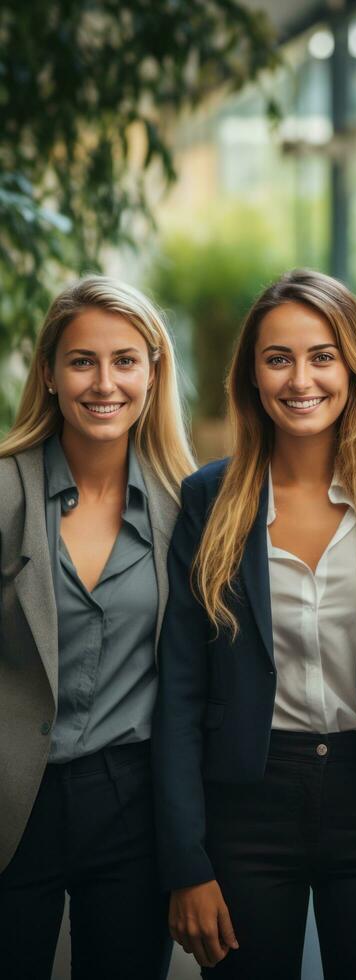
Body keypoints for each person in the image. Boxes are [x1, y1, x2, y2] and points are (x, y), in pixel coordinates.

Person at [152, 268, 356, 980]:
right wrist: (186, 863)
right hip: (245, 808)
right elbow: (179, 695)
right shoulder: (209, 499)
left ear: (353, 366)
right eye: (277, 358)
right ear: (252, 376)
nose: (301, 379)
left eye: (321, 355)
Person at [0, 275, 195, 980]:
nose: (103, 382)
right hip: (12, 799)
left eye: (124, 360)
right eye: (82, 361)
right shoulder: (4, 493)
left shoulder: (186, 509)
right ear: (50, 373)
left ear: (152, 370)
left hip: (132, 803)